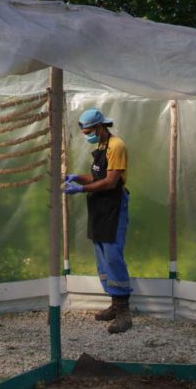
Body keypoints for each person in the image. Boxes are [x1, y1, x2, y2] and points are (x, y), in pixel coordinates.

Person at [62, 108, 132, 334]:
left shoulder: (116, 146)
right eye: (84, 132)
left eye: (89, 131)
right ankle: (114, 302)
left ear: (101, 126)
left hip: (113, 205)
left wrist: (81, 189)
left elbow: (111, 182)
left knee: (112, 254)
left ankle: (124, 312)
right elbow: (96, 177)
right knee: (101, 254)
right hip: (99, 206)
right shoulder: (101, 146)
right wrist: (76, 177)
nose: (87, 135)